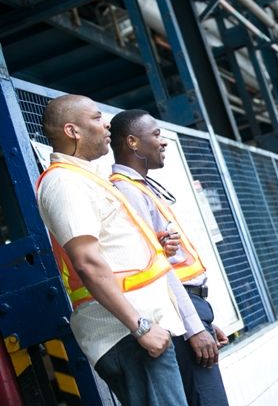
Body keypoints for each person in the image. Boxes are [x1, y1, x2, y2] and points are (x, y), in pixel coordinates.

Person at [36, 95, 188, 406]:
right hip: (127, 334)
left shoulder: (83, 178)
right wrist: (140, 325)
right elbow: (88, 263)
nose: (107, 123)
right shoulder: (64, 183)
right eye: (95, 118)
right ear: (72, 131)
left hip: (136, 332)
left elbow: (107, 250)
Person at [108, 109, 230, 406]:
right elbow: (160, 268)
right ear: (133, 142)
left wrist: (200, 317)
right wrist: (193, 326)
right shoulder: (127, 191)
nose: (163, 142)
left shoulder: (142, 188)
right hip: (180, 312)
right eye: (156, 135)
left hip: (188, 306)